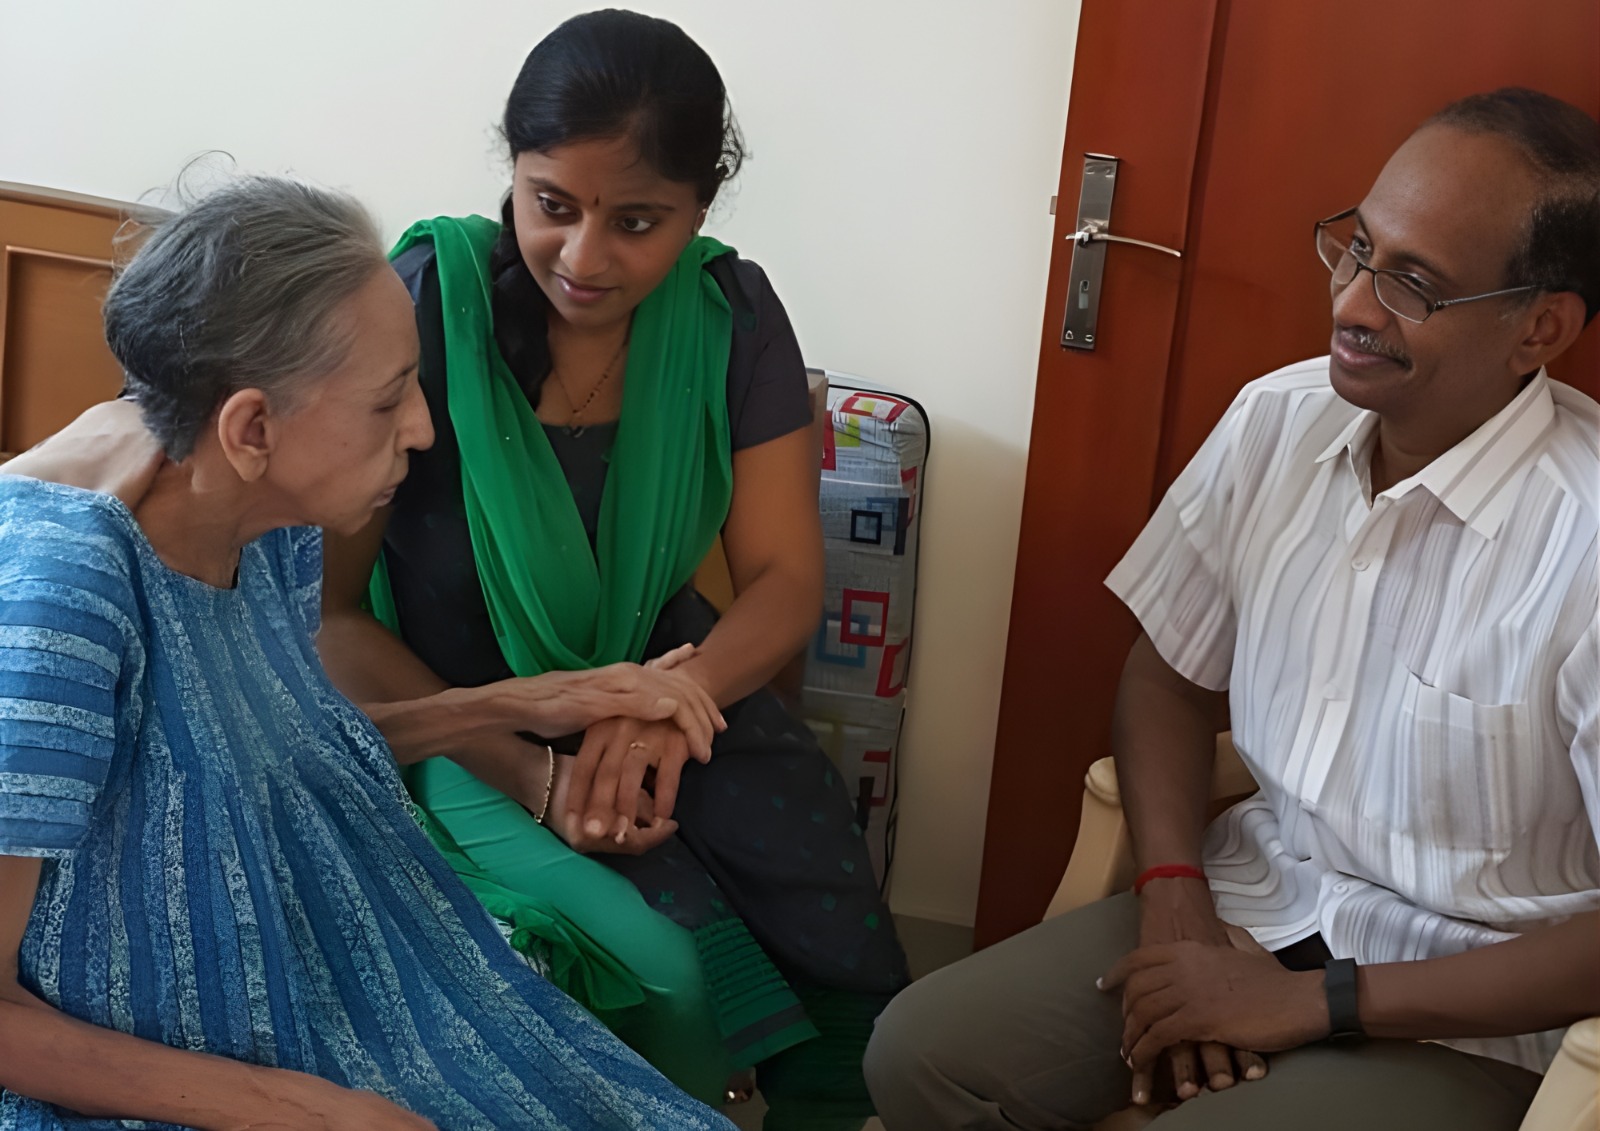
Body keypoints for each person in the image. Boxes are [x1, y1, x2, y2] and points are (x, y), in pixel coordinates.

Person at [862, 88, 1600, 1131]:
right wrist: (1173, 894)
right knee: (922, 1057)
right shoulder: (1276, 420)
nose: (1353, 304)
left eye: (1413, 285)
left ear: (1540, 327)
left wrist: (1315, 1002)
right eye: (1356, 249)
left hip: (1465, 1018)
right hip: (1252, 904)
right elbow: (1167, 676)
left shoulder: (1586, 541)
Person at [0, 174, 736, 1131]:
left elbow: (269, 755)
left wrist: (522, 700)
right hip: (175, 1083)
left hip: (325, 1021)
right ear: (253, 427)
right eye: (391, 402)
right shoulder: (59, 600)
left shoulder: (245, 497)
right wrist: (311, 1110)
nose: (422, 429)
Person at [316, 9, 908, 1128]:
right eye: (552, 206)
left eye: (637, 222)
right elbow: (331, 615)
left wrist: (660, 709)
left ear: (699, 211)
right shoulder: (425, 302)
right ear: (513, 173)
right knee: (674, 960)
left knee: (832, 924)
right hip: (445, 706)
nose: (585, 259)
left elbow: (784, 581)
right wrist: (526, 768)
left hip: (667, 681)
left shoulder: (730, 315)